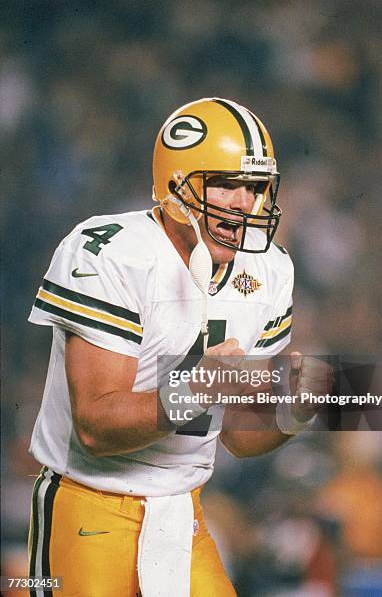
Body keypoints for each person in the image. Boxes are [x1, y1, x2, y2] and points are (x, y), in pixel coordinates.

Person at [27, 98, 332, 596]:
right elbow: (95, 428)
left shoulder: (271, 268)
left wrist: (291, 412)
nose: (243, 203)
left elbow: (237, 434)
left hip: (183, 512)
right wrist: (202, 385)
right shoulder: (110, 250)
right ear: (176, 183)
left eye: (255, 188)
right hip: (88, 505)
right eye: (226, 183)